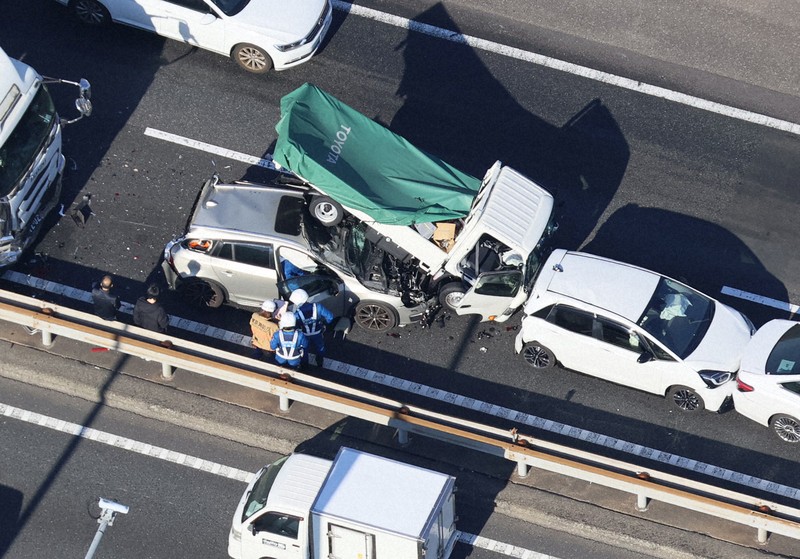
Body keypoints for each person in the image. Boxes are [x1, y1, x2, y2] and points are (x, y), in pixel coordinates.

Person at [290, 288, 334, 366]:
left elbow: (294, 326)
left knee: (304, 349)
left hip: (304, 335)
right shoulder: (318, 307)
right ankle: (319, 361)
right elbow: (330, 317)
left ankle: (305, 365)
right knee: (320, 347)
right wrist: (325, 324)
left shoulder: (296, 314)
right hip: (318, 333)